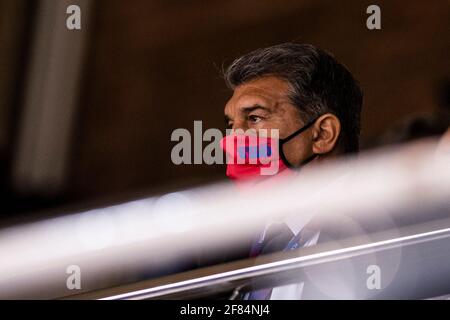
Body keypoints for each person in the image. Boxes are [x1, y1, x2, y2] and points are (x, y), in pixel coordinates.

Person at [220, 43, 364, 299]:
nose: (232, 140)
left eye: (255, 118)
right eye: (231, 124)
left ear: (322, 134)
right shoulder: (250, 240)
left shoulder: (387, 231)